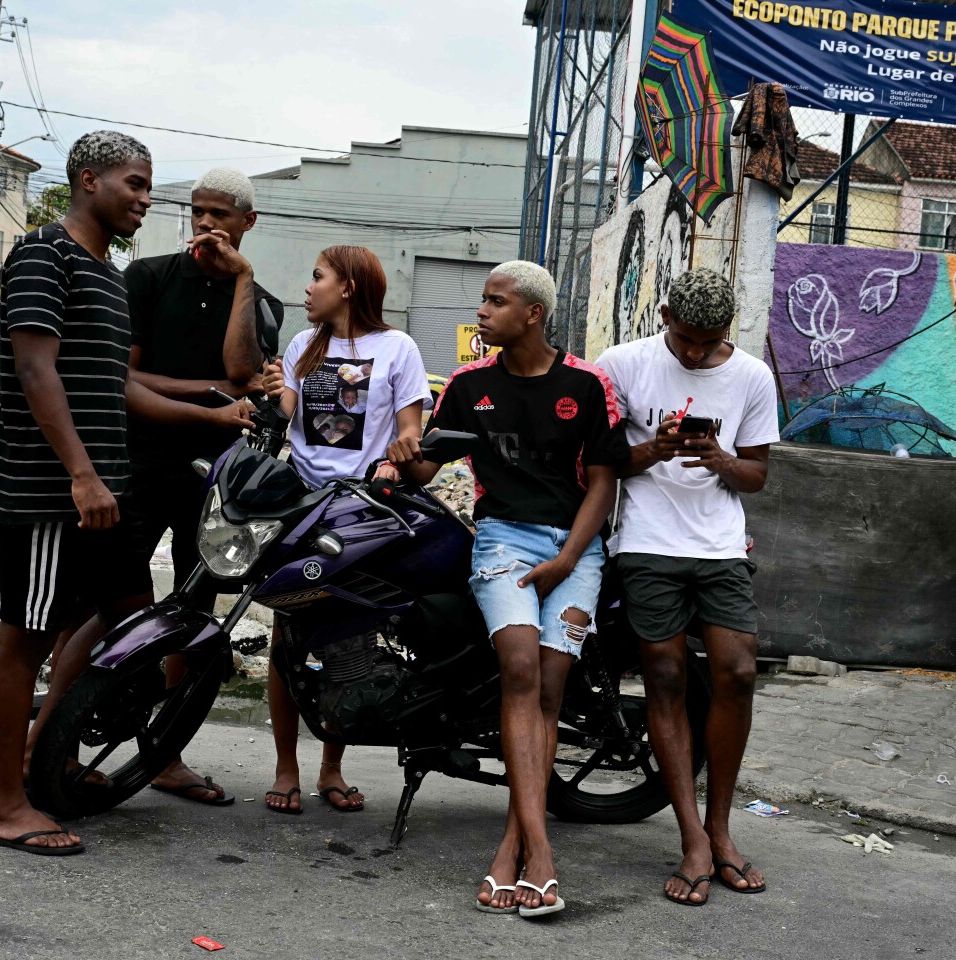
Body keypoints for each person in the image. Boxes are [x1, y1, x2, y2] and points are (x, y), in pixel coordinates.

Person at [389, 260, 627, 917]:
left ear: (533, 314)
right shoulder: (469, 385)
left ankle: (513, 844)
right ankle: (537, 854)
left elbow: (604, 484)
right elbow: (428, 465)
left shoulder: (588, 383)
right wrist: (406, 455)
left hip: (576, 550)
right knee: (521, 669)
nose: (482, 311)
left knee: (551, 686)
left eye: (496, 302)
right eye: (483, 300)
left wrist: (568, 560)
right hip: (502, 544)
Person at [0, 130, 155, 856]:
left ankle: (41, 758)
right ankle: (7, 805)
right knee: (24, 637)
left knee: (113, 615)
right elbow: (36, 371)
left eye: (147, 186)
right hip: (50, 491)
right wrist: (80, 473)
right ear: (88, 180)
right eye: (133, 184)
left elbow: (112, 385)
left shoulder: (107, 273)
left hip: (99, 491)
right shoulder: (45, 254)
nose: (143, 198)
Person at [75, 166, 280, 807]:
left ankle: (166, 756)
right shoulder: (148, 276)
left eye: (221, 215)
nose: (206, 226)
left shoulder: (260, 300)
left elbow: (243, 368)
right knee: (109, 608)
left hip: (217, 482)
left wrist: (241, 280)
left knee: (195, 621)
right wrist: (221, 395)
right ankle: (62, 741)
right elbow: (125, 381)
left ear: (248, 224)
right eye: (197, 212)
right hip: (137, 464)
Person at [596, 267, 780, 905]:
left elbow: (757, 475)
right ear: (666, 313)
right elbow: (600, 459)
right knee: (666, 678)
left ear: (728, 328)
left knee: (736, 673)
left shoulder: (752, 376)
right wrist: (655, 449)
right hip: (646, 542)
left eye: (709, 341)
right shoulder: (622, 363)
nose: (696, 352)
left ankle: (721, 826)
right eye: (686, 337)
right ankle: (693, 840)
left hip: (721, 548)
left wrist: (722, 461)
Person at [259, 245, 429, 814]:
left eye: (317, 277)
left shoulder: (397, 347)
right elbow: (283, 413)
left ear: (348, 287)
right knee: (288, 639)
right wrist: (267, 393)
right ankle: (286, 767)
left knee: (345, 642)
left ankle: (331, 768)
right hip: (302, 509)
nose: (308, 289)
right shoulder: (303, 346)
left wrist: (395, 460)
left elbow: (410, 429)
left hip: (361, 513)